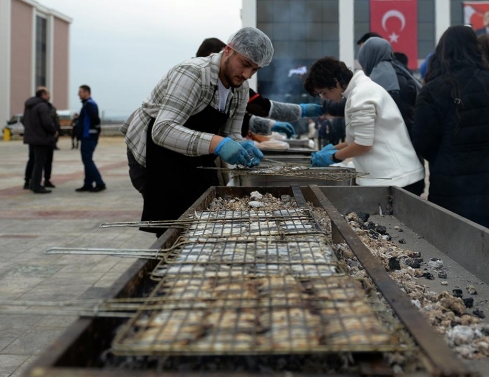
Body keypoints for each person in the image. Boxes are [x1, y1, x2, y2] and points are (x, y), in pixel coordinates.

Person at [122, 27, 272, 235]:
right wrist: (218, 144)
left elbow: (232, 133)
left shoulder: (241, 88)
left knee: (200, 221)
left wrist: (241, 145)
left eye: (255, 69)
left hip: (194, 158)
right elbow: (163, 131)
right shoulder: (193, 74)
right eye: (245, 64)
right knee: (172, 228)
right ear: (228, 50)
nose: (247, 74)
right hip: (157, 157)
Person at [412, 25, 489, 234]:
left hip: (453, 186)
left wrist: (444, 155)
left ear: (442, 52)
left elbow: (422, 139)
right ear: (476, 49)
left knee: (455, 252)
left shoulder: (433, 90)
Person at [305, 57, 425, 195]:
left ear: (335, 82)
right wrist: (333, 148)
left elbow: (363, 144)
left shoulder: (361, 96)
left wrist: (333, 157)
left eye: (324, 93)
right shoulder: (360, 91)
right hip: (394, 176)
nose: (325, 98)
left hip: (398, 178)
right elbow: (362, 138)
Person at [194, 37, 322, 139]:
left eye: (254, 69)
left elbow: (256, 110)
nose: (247, 75)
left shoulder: (237, 87)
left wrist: (298, 112)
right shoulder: (194, 78)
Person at [22, 88, 58, 194]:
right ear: (43, 95)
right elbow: (47, 122)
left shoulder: (29, 106)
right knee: (39, 163)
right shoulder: (42, 106)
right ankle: (37, 186)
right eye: (47, 94)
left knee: (35, 161)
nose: (49, 95)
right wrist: (53, 131)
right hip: (41, 138)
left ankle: (33, 184)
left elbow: (25, 120)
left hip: (33, 138)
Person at [75, 85, 106, 193]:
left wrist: (97, 130)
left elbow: (95, 119)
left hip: (88, 136)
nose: (78, 94)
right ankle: (88, 184)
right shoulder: (88, 104)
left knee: (87, 160)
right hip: (88, 136)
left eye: (80, 92)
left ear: (87, 92)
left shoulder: (89, 104)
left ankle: (99, 183)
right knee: (87, 160)